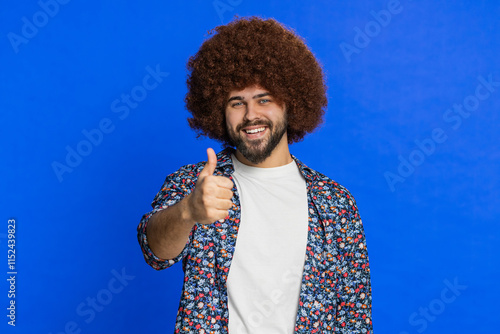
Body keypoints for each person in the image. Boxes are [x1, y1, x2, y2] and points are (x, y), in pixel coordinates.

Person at [137, 16, 373, 333]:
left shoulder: (335, 204)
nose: (251, 116)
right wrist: (188, 210)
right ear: (219, 110)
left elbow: (354, 316)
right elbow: (154, 252)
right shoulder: (197, 185)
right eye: (237, 102)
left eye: (264, 99)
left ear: (291, 103)